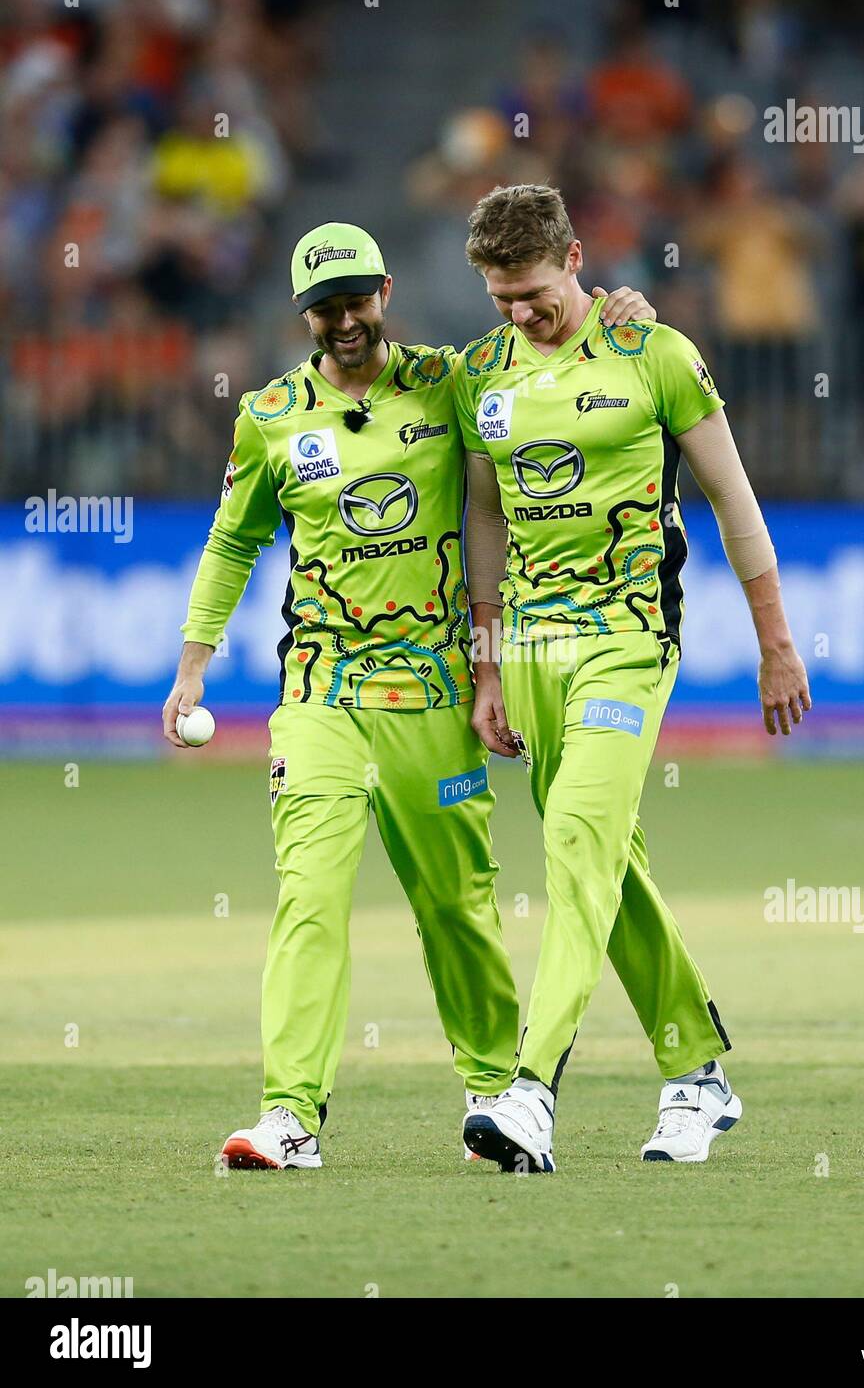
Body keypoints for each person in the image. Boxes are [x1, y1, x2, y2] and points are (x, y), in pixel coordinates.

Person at [162, 219, 653, 1169]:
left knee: (457, 906)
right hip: (320, 694)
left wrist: (622, 317)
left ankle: (495, 1098)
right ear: (304, 314)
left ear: (386, 291)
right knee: (310, 893)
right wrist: (194, 664)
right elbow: (232, 543)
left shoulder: (450, 381)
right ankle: (290, 1115)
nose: (343, 321)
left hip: (432, 696)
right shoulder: (270, 416)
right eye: (324, 308)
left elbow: (545, 358)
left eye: (355, 301)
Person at [455, 184, 811, 1174]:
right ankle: (696, 1072)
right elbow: (482, 515)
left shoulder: (653, 354)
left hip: (625, 638)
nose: (519, 315)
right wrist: (485, 661)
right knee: (606, 861)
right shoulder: (479, 376)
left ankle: (529, 1092)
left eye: (532, 293)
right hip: (526, 654)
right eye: (498, 299)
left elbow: (732, 503)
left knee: (575, 840)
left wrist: (774, 641)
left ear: (575, 260)